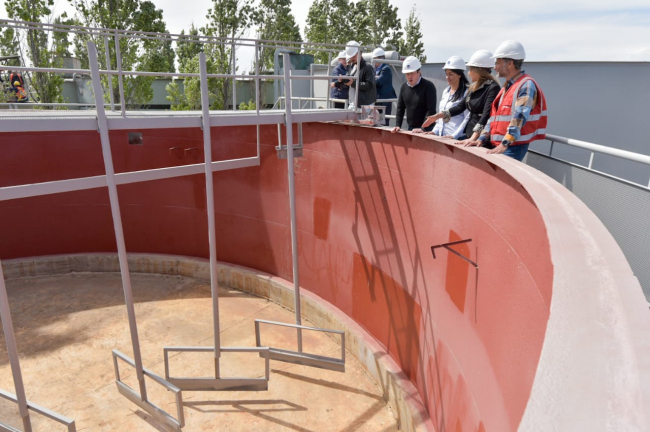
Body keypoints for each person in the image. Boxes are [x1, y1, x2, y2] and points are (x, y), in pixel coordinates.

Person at [471, 40, 548, 161]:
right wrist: (481, 139)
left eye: (498, 63)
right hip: (501, 146)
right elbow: (494, 118)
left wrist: (505, 143)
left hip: (511, 147)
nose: (495, 67)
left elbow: (520, 117)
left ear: (510, 63)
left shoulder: (526, 85)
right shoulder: (508, 87)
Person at [422, 50, 500, 145]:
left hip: (479, 141)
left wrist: (474, 138)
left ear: (479, 70)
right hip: (469, 137)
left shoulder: (493, 88)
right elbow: (460, 107)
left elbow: (486, 115)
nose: (468, 73)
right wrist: (437, 116)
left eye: (471, 70)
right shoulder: (474, 87)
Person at [427, 56, 470, 139]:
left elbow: (466, 118)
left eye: (451, 74)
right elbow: (441, 116)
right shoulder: (446, 91)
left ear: (459, 75)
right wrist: (434, 131)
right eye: (446, 74)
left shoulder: (466, 92)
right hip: (443, 137)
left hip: (456, 139)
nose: (447, 77)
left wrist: (454, 136)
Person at [390, 56, 437, 133]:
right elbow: (400, 108)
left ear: (419, 72)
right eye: (407, 74)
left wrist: (423, 128)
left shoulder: (429, 86)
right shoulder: (404, 87)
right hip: (411, 128)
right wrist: (398, 125)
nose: (409, 77)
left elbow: (431, 110)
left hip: (427, 130)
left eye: (412, 73)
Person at [344, 41, 376, 109]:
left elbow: (369, 85)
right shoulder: (352, 66)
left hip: (365, 105)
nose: (352, 58)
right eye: (351, 56)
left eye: (354, 56)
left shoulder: (368, 67)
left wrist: (353, 83)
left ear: (360, 53)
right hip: (353, 103)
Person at [372, 48, 396, 126]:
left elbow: (379, 82)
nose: (373, 61)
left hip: (384, 101)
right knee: (377, 122)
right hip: (379, 100)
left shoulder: (386, 69)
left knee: (383, 123)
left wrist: (369, 80)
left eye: (374, 59)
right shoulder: (376, 69)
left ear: (380, 58)